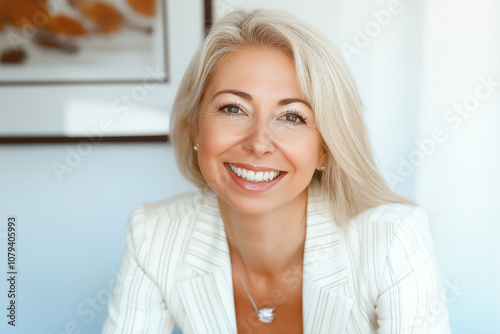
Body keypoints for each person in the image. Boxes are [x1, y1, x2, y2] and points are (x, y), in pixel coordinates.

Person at [102, 8, 450, 334]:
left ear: (325, 149)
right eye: (233, 108)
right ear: (195, 127)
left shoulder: (392, 240)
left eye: (292, 117)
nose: (258, 142)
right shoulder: (154, 236)